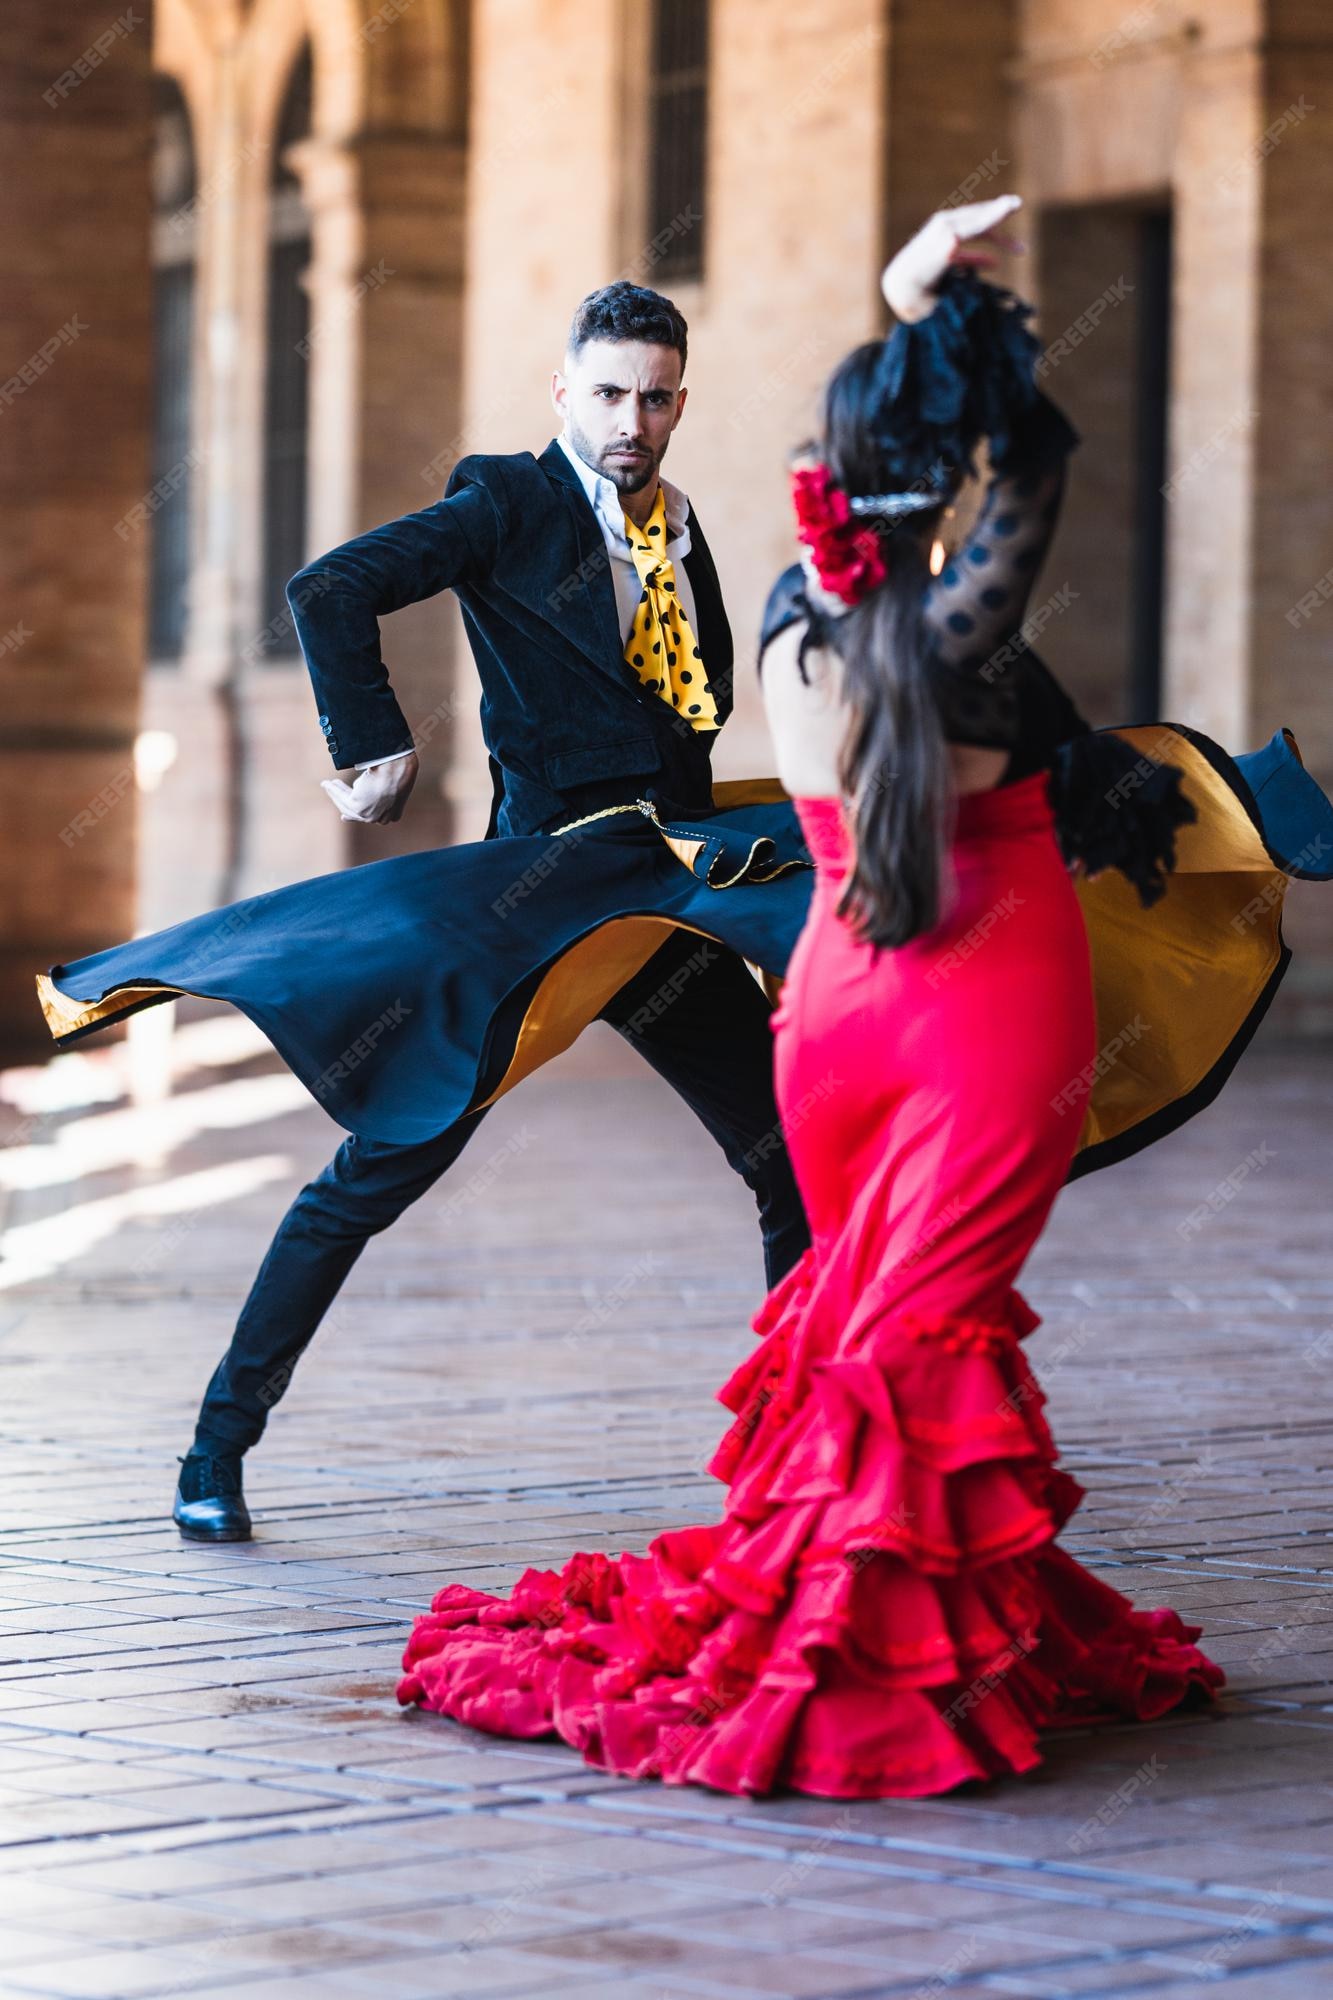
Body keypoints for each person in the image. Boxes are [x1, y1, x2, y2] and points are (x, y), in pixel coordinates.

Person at [37, 222, 1333, 1563]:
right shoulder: (504, 504)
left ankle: (800, 1467)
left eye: (655, 395)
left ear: (680, 399)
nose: (631, 420)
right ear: (563, 395)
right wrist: (368, 738)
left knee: (783, 1158)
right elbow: (332, 588)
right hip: (538, 899)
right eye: (606, 393)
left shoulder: (686, 526)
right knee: (377, 1169)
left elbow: (695, 721)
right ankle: (216, 1445)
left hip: (672, 885)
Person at [394, 197, 1229, 1798]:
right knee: (919, 1336)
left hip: (834, 1017)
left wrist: (921, 314)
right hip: (983, 1015)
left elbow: (1000, 481)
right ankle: (864, 1661)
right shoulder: (945, 637)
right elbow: (1040, 470)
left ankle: (877, 1615)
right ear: (943, 488)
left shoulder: (799, 614)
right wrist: (938, 307)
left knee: (865, 1328)